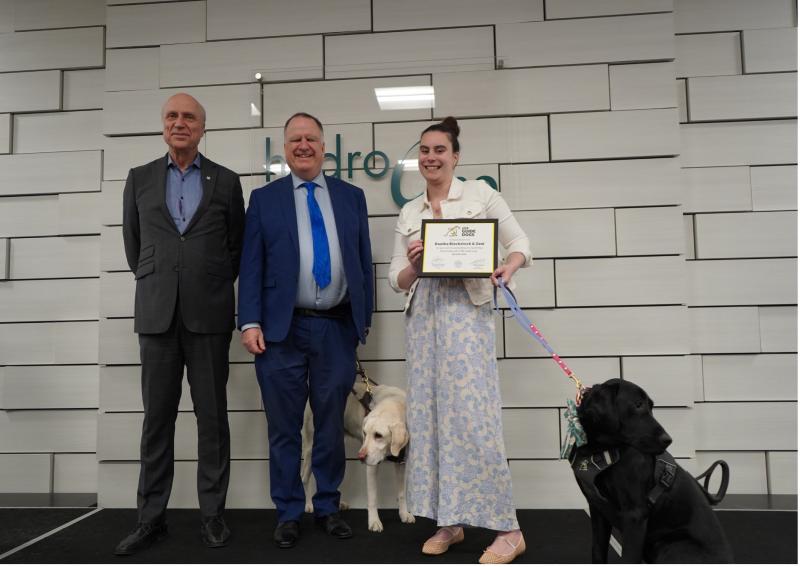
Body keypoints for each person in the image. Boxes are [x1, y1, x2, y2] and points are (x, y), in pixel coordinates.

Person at [388, 117, 531, 564]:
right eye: (424, 151)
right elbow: (396, 277)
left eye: (439, 150)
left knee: (474, 421)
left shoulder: (480, 195)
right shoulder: (410, 211)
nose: (431, 157)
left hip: (467, 318)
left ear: (455, 156)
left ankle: (509, 530)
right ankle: (449, 521)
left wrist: (509, 266)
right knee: (430, 423)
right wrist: (414, 264)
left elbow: (520, 242)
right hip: (425, 322)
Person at [115, 93, 245, 555]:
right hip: (156, 316)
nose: (179, 123)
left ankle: (212, 515)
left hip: (207, 316)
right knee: (156, 421)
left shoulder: (227, 182)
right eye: (172, 116)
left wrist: (200, 281)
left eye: (189, 117)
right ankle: (151, 519)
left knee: (212, 419)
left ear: (203, 128)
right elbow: (136, 248)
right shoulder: (139, 179)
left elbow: (234, 249)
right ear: (163, 126)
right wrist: (163, 282)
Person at [237, 112, 373, 549]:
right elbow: (251, 264)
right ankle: (289, 512)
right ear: (285, 146)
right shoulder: (264, 199)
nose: (303, 145)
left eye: (310, 138)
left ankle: (329, 507)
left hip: (335, 329)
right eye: (295, 139)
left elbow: (362, 261)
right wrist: (250, 320)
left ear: (323, 146)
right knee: (284, 428)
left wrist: (361, 321)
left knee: (331, 423)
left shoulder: (351, 197)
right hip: (280, 332)